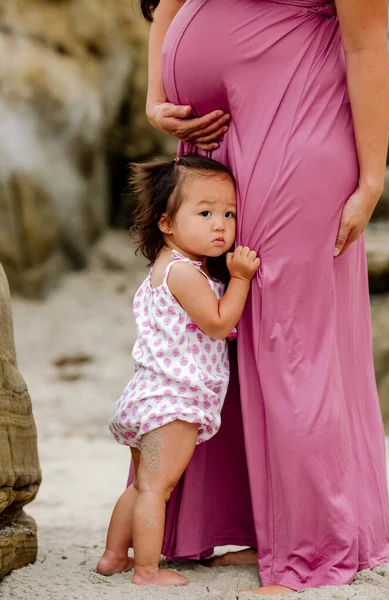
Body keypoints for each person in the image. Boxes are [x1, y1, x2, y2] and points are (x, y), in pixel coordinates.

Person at [130, 0, 389, 596]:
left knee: (287, 337)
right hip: (209, 141)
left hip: (297, 128)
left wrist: (372, 180)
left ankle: (312, 546)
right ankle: (264, 528)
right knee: (215, 331)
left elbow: (365, 45)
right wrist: (156, 96)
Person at [97, 154, 260, 586]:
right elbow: (220, 322)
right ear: (167, 223)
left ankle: (114, 556)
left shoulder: (163, 269)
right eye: (205, 213)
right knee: (156, 489)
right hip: (173, 403)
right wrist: (241, 278)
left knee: (139, 486)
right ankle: (147, 572)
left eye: (229, 213)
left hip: (145, 397)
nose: (220, 225)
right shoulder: (186, 275)